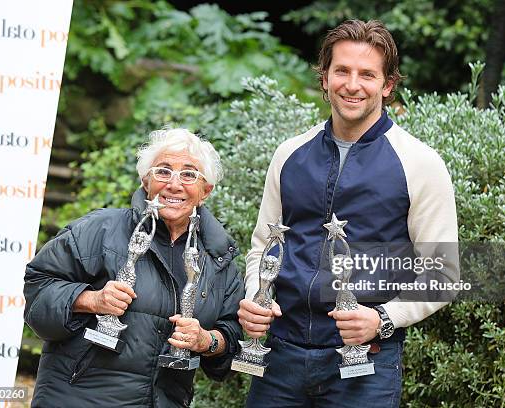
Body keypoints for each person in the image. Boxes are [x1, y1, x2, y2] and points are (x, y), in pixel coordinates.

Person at [238, 20, 459, 407]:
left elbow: (444, 272)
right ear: (324, 78)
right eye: (342, 71)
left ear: (387, 85)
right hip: (280, 359)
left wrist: (384, 319)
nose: (352, 85)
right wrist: (255, 297)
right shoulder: (289, 154)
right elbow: (264, 246)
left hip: (365, 366)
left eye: (367, 74)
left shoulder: (420, 163)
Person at [23, 128, 245, 407]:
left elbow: (231, 336)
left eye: (189, 174)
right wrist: (91, 299)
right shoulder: (100, 229)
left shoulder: (218, 256)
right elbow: (38, 289)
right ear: (145, 181)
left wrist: (206, 341)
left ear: (205, 191)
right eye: (163, 171)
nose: (174, 184)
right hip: (80, 397)